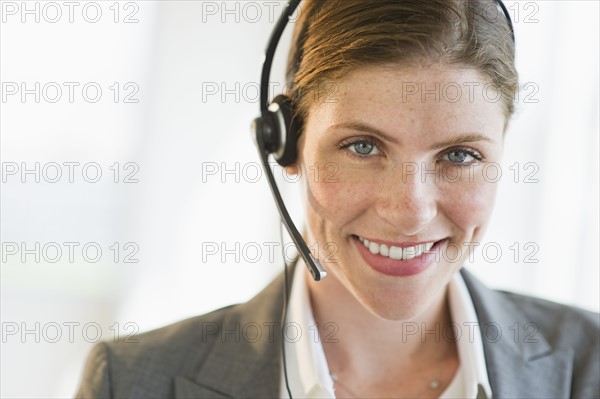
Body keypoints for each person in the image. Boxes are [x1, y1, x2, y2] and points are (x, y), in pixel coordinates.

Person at [75, 0, 599, 398]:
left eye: (460, 156)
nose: (410, 211)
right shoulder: (132, 382)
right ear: (285, 145)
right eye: (363, 146)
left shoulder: (589, 364)